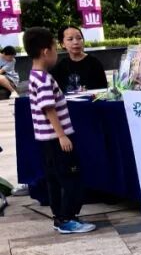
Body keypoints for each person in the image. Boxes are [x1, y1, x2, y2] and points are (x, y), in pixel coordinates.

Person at [24, 25, 96, 235]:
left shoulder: (34, 76)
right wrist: (62, 135)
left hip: (46, 140)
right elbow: (49, 108)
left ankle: (61, 217)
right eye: (56, 48)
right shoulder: (44, 79)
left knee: (55, 180)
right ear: (46, 51)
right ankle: (67, 218)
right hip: (56, 139)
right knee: (70, 178)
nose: (57, 53)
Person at [52, 24, 108, 94]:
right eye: (70, 39)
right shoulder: (60, 67)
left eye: (79, 38)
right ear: (62, 43)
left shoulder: (94, 63)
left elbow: (103, 90)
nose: (76, 42)